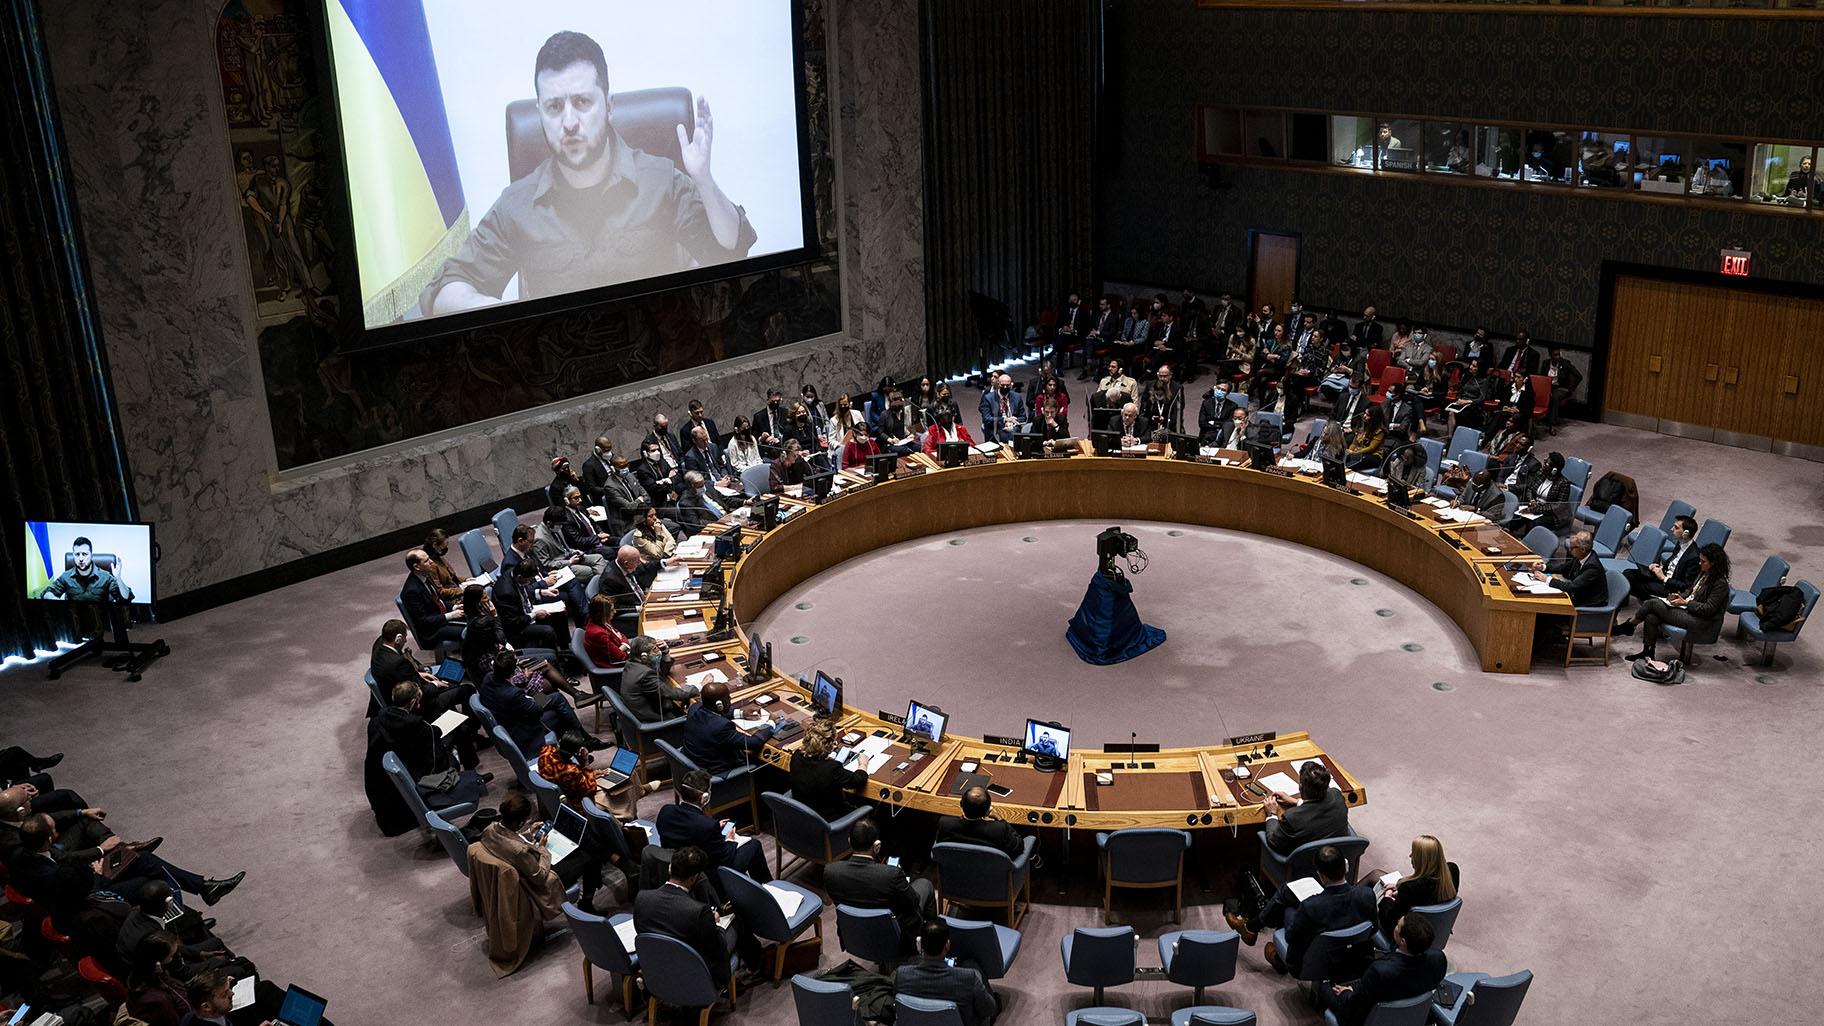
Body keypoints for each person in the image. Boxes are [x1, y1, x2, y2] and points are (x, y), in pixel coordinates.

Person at [420, 31, 755, 315]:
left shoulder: (660, 180)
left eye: (582, 102)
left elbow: (730, 249)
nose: (568, 122)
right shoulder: (517, 204)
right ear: (540, 113)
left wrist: (704, 182)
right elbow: (444, 290)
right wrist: (514, 320)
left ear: (608, 105)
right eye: (554, 107)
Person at [633, 845, 760, 990]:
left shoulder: (642, 898)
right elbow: (718, 949)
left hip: (660, 968)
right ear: (693, 878)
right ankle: (757, 965)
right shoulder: (698, 911)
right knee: (737, 921)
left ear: (670, 869)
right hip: (697, 973)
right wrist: (715, 924)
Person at [825, 818, 936, 955]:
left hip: (855, 933)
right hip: (895, 936)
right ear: (877, 846)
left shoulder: (831, 871)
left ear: (849, 841)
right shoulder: (891, 875)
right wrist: (902, 884)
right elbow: (913, 901)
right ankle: (932, 943)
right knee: (925, 885)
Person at [1323, 913, 1447, 1026]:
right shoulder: (1438, 959)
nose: (1395, 927)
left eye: (1398, 926)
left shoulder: (1379, 971)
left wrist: (1347, 993)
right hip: (1409, 1017)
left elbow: (1352, 1012)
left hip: (1367, 1019)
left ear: (1403, 941)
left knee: (1323, 984)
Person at [655, 769, 772, 883]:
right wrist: (730, 840)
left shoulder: (665, 811)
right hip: (707, 876)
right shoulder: (708, 826)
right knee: (754, 845)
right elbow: (726, 858)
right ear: (705, 797)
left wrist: (715, 828)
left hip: (676, 867)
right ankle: (768, 888)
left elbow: (690, 830)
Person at [479, 650, 601, 755]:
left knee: (557, 702)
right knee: (557, 704)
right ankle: (582, 741)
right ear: (511, 672)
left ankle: (580, 743)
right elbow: (535, 711)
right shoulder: (513, 693)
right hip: (520, 725)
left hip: (508, 714)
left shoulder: (488, 677)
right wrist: (530, 693)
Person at [1627, 543, 1731, 665]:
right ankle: (1648, 652)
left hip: (1702, 621)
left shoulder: (1720, 584)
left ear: (1713, 564)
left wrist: (1686, 602)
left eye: (1703, 562)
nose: (1700, 564)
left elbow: (1708, 609)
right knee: (1651, 616)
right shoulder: (1704, 573)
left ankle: (1630, 625)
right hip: (1689, 610)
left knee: (1653, 604)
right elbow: (1690, 590)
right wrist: (1680, 597)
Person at [477, 794, 568, 922]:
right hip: (532, 884)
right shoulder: (519, 851)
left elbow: (508, 838)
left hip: (517, 866)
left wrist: (529, 833)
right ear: (520, 822)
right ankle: (586, 904)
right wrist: (543, 848)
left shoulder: (489, 829)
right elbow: (539, 877)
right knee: (586, 858)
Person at [894, 920, 998, 1026]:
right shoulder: (968, 978)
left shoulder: (902, 975)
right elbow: (989, 1010)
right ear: (947, 945)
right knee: (972, 965)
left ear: (920, 945)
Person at [1374, 835, 1460, 940]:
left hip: (1406, 936)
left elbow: (1390, 924)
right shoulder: (1452, 871)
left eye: (1413, 854)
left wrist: (1387, 898)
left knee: (1372, 887)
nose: (1410, 856)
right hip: (1433, 929)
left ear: (1421, 860)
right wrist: (1399, 887)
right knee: (1376, 876)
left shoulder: (1409, 888)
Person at [1262, 761, 1351, 856]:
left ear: (1301, 787)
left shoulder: (1292, 818)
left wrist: (1272, 814)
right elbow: (1316, 808)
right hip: (1335, 854)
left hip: (1303, 861)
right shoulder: (1336, 795)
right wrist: (1296, 802)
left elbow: (1274, 843)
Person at [1619, 514, 1701, 616]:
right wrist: (1658, 567)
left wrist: (1663, 578)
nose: (1671, 529)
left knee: (1640, 585)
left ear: (1685, 533)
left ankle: (1651, 604)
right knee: (1628, 573)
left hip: (1670, 589)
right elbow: (1673, 561)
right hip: (1663, 577)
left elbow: (1685, 586)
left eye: (1676, 527)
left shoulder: (1694, 556)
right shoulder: (1680, 543)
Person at [682, 681, 774, 773]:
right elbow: (754, 743)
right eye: (728, 698)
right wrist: (771, 723)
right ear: (719, 705)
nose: (730, 699)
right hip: (714, 770)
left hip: (694, 760)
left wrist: (741, 713)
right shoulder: (722, 727)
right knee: (763, 762)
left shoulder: (694, 708)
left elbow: (709, 714)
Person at [787, 719, 866, 821]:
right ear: (829, 745)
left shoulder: (796, 756)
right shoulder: (832, 768)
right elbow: (858, 781)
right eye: (833, 741)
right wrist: (863, 764)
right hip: (827, 819)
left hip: (801, 813)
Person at [620, 635, 699, 723]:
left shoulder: (632, 664)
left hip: (648, 708)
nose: (658, 652)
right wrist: (699, 686)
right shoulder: (645, 675)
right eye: (654, 649)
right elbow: (675, 694)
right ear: (644, 656)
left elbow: (661, 673)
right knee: (697, 712)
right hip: (657, 719)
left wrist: (665, 653)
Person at [935, 786, 1027, 860]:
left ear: (961, 804)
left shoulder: (945, 824)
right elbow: (1019, 846)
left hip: (955, 872)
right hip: (991, 874)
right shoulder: (999, 829)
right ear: (988, 810)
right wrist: (1000, 819)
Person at [399, 549, 465, 647]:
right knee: (470, 631)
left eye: (429, 558)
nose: (431, 562)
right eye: (426, 561)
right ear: (416, 567)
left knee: (477, 618)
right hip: (432, 631)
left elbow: (438, 600)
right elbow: (423, 621)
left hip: (440, 618)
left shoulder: (425, 575)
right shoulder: (411, 591)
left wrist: (454, 607)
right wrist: (450, 615)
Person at [1504, 451, 1571, 536]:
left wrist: (1537, 509)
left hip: (1552, 514)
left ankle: (1527, 544)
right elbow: (1530, 489)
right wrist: (1532, 500)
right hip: (1535, 507)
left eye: (1547, 464)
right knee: (1516, 517)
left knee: (1534, 523)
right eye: (1545, 461)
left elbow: (1558, 506)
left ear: (1554, 470)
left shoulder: (1563, 483)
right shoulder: (1541, 473)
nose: (1544, 465)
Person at [1546, 531, 1606, 607]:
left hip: (1588, 603)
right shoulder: (1582, 556)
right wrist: (1543, 567)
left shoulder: (1592, 568)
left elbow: (1571, 587)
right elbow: (1562, 568)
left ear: (1583, 549)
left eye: (1572, 548)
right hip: (1578, 594)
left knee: (1550, 604)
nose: (1569, 550)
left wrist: (1547, 579)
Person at [598, 544, 662, 609]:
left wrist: (664, 562)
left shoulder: (627, 563)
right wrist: (639, 608)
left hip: (646, 599)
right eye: (637, 562)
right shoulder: (609, 580)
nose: (639, 563)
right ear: (626, 564)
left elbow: (645, 567)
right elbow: (613, 607)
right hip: (636, 611)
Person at [581, 592, 629, 671]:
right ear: (601, 613)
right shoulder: (597, 633)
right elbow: (621, 657)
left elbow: (622, 635)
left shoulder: (603, 620)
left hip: (619, 654)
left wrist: (621, 645)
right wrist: (622, 644)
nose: (615, 612)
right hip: (615, 665)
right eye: (611, 610)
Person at [977, 373, 1027, 444]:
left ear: (1011, 385)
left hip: (1013, 429)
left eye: (1007, 385)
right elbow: (987, 419)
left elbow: (1023, 417)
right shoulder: (988, 398)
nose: (1005, 387)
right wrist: (1005, 420)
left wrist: (1012, 423)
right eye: (1002, 385)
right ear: (998, 384)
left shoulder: (1017, 397)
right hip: (995, 429)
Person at [1140, 364, 1185, 438]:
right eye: (1160, 376)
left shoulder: (1178, 388)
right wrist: (1150, 416)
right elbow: (1144, 403)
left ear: (1170, 375)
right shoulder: (1150, 385)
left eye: (1165, 376)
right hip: (1152, 421)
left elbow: (1179, 408)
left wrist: (1166, 419)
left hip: (1169, 423)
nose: (1162, 378)